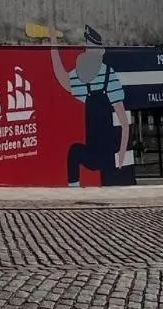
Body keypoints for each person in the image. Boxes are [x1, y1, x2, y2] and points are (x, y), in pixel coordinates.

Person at [49, 24, 134, 187]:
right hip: (92, 152)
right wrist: (54, 44)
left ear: (100, 52)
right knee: (74, 153)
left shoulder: (109, 76)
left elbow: (124, 122)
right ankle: (73, 193)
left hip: (108, 155)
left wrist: (121, 155)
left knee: (111, 188)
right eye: (87, 48)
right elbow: (62, 77)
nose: (88, 51)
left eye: (92, 48)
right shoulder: (82, 78)